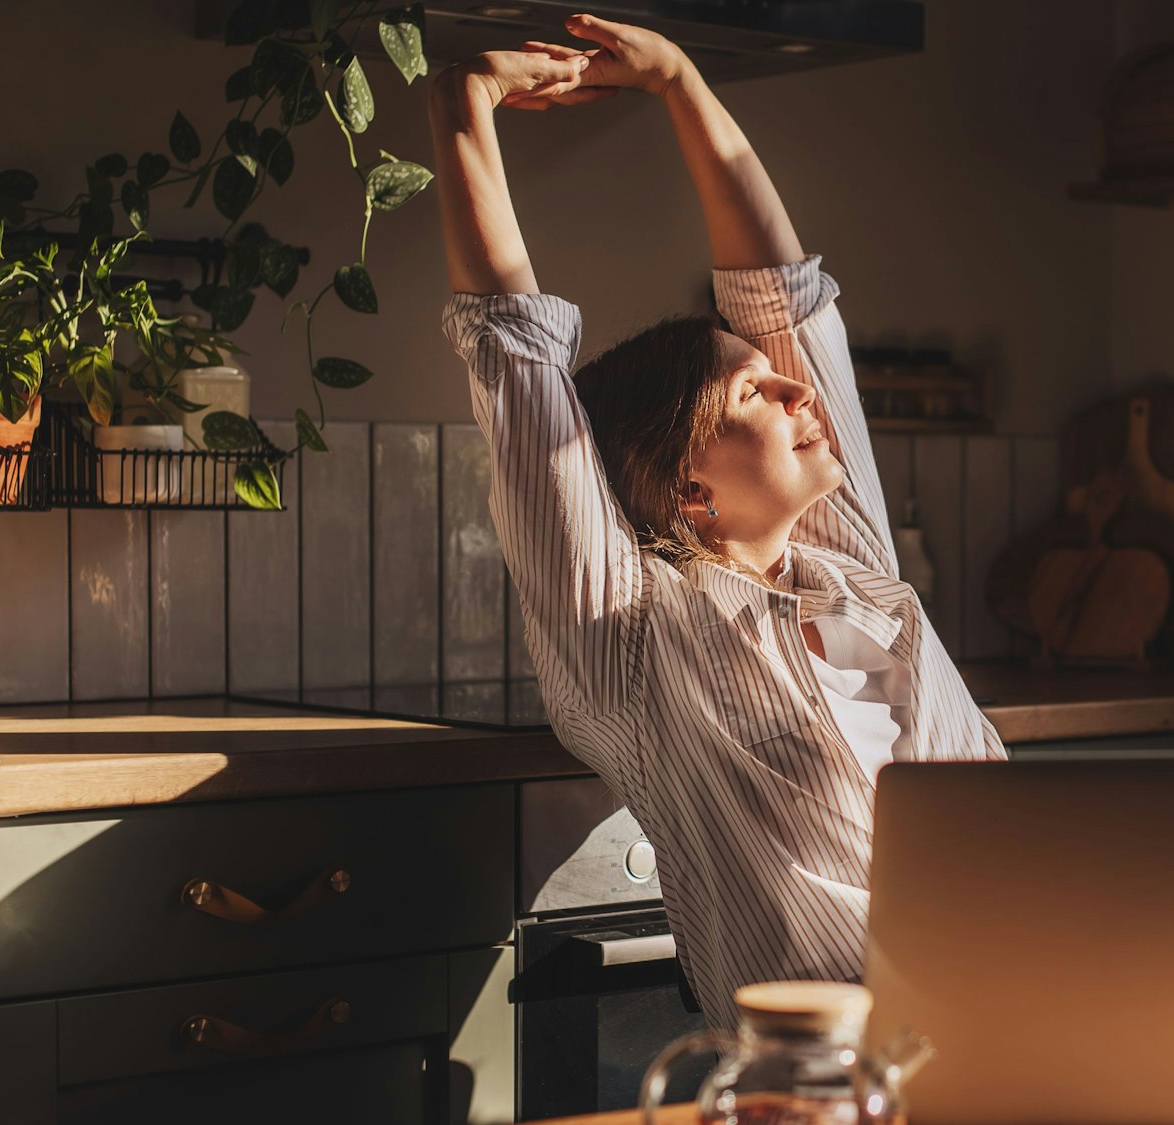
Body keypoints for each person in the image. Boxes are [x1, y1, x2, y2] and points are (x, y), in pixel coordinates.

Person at [430, 13, 1008, 1031]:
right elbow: (514, 360)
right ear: (681, 486)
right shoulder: (630, 635)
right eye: (752, 396)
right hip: (826, 1078)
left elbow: (786, 300)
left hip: (1040, 1008)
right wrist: (458, 103)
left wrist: (680, 83)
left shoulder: (852, 572)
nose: (798, 390)